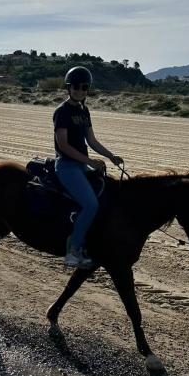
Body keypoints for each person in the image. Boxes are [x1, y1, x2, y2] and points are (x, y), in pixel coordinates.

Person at [53, 66, 123, 268]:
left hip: (81, 165)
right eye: (76, 86)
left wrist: (110, 156)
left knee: (104, 199)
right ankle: (73, 249)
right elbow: (63, 145)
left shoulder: (84, 111)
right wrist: (89, 161)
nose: (80, 91)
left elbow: (91, 140)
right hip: (66, 166)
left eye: (84, 87)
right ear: (69, 87)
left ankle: (89, 243)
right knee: (91, 205)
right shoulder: (62, 112)